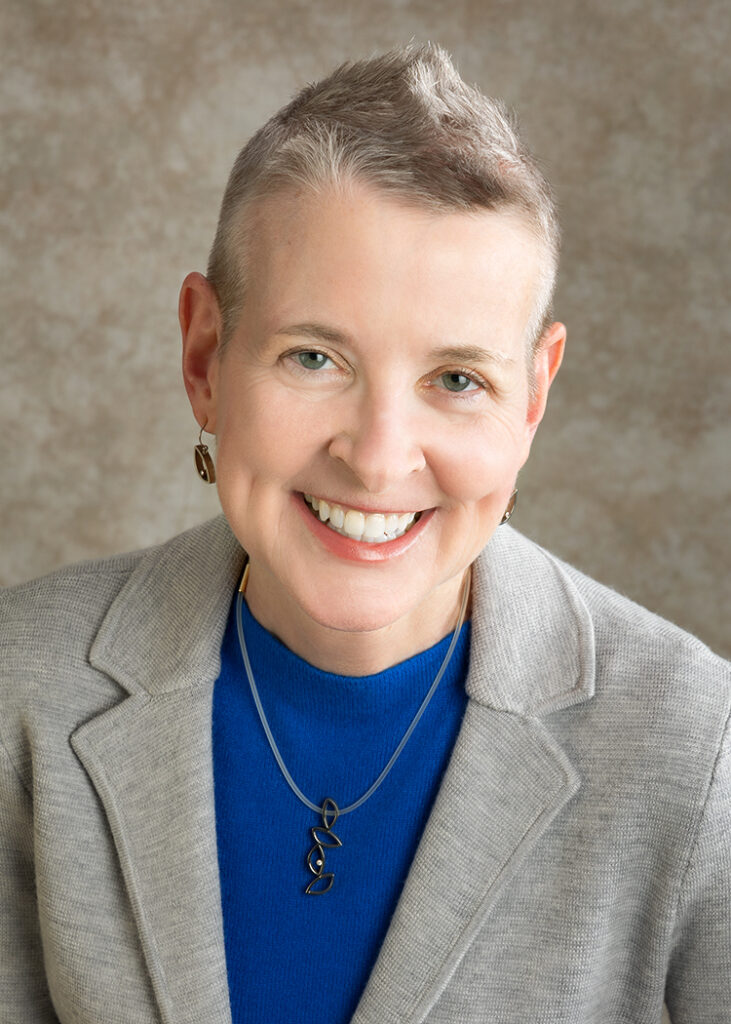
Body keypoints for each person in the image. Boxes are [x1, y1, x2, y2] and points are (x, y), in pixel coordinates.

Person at [1, 43, 728, 1024]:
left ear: (530, 398)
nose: (379, 459)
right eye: (313, 356)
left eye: (456, 379)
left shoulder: (698, 752)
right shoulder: (23, 696)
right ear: (206, 356)